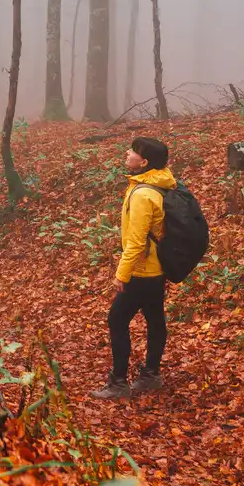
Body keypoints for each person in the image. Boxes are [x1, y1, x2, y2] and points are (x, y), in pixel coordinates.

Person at [90, 136, 174, 399]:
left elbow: (137, 242)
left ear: (144, 161)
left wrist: (121, 274)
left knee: (117, 319)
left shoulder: (142, 195)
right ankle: (151, 374)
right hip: (157, 268)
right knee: (155, 318)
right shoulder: (160, 184)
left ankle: (118, 383)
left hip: (141, 270)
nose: (127, 153)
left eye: (133, 151)